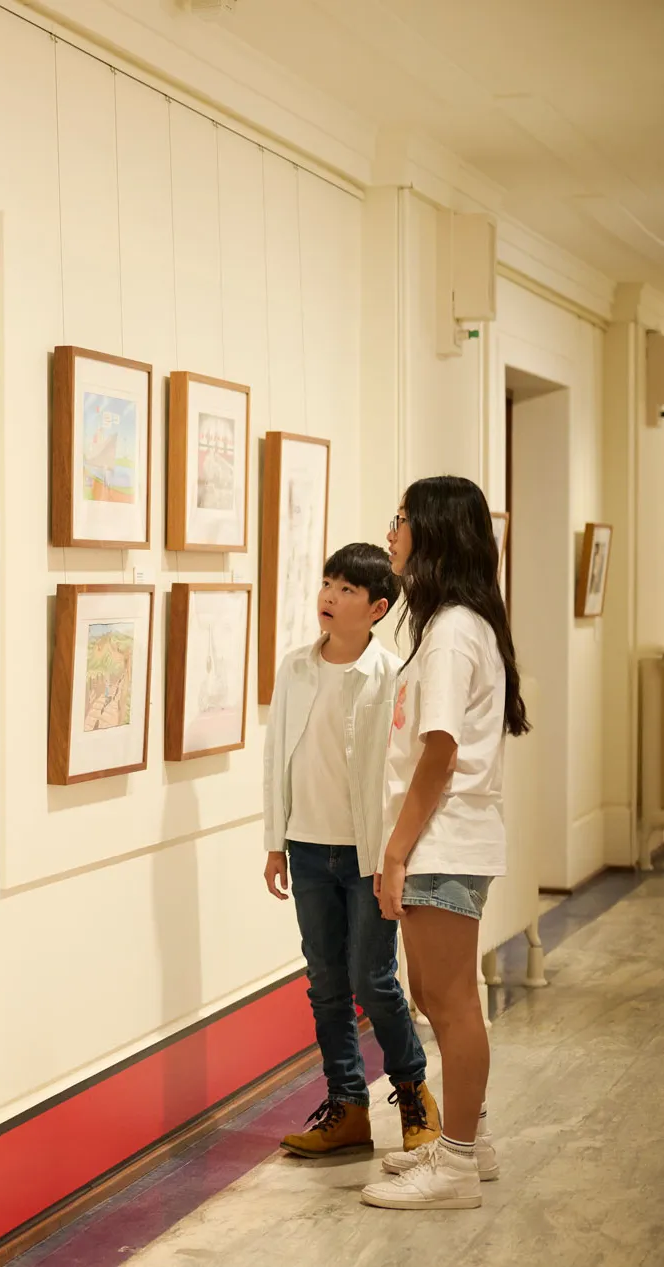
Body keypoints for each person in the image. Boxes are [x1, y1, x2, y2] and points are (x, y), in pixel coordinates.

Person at [361, 476, 529, 1212]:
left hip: (443, 838)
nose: (391, 531)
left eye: (401, 519)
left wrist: (395, 852)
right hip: (439, 837)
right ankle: (469, 1138)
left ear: (434, 533)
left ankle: (457, 1163)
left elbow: (437, 750)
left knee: (452, 1001)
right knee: (433, 992)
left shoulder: (456, 628)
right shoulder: (445, 625)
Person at [264, 543, 440, 1161]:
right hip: (308, 850)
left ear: (377, 607)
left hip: (366, 856)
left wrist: (396, 856)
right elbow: (276, 760)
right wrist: (274, 843)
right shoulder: (294, 669)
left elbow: (402, 773)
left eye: (345, 590)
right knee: (325, 983)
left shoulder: (393, 676)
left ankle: (415, 1094)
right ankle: (347, 1107)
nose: (329, 598)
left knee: (375, 979)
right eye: (327, 584)